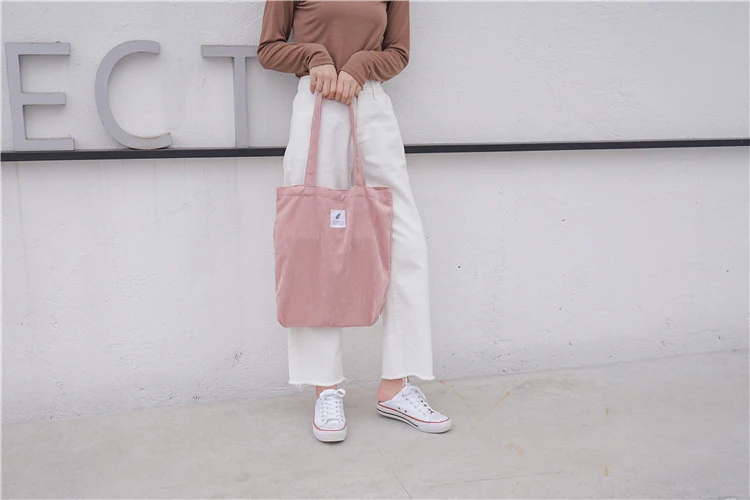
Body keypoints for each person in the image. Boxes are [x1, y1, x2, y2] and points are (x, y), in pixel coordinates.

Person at [257, 0, 451, 443]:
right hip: (316, 101)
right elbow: (269, 48)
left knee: (403, 241)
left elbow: (398, 52)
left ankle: (396, 385)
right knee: (314, 247)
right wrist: (315, 57)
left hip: (373, 104)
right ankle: (325, 388)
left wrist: (361, 65)